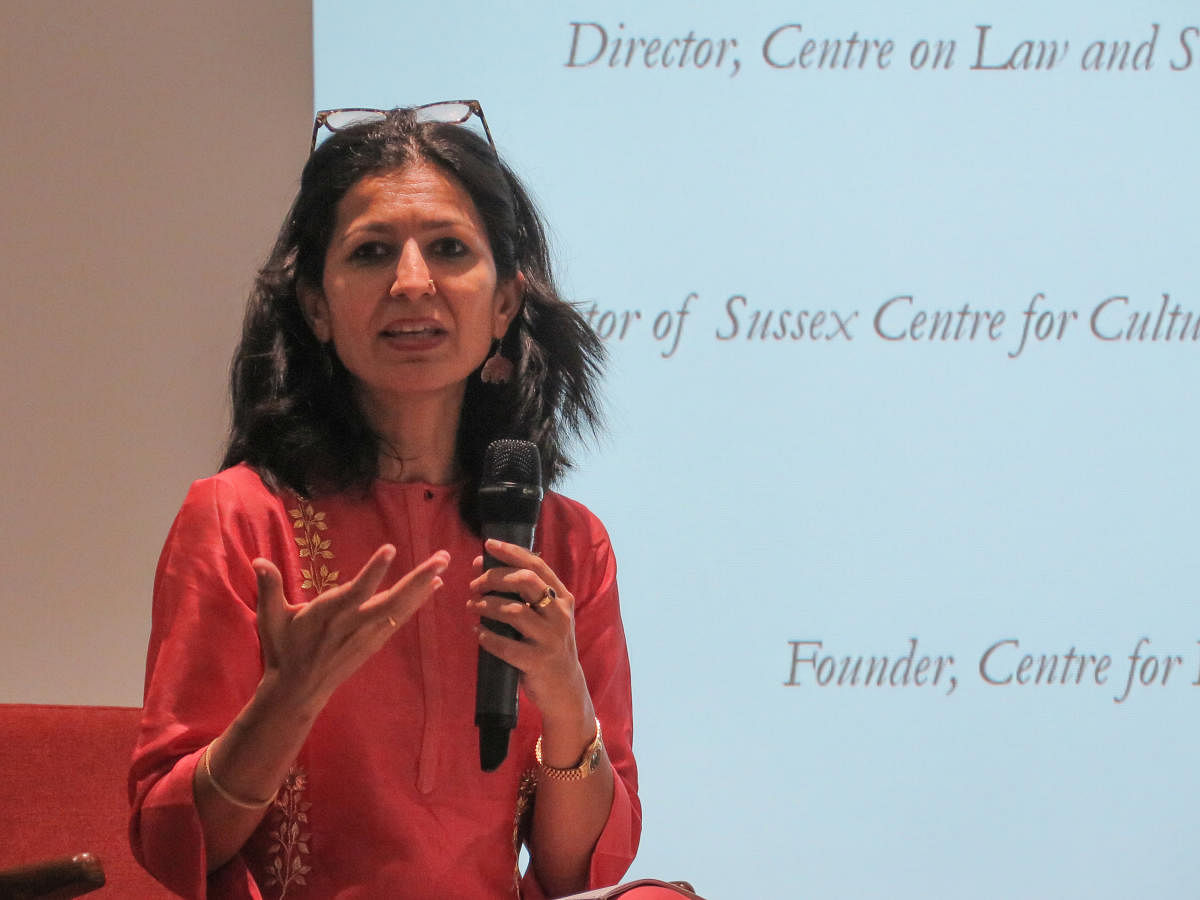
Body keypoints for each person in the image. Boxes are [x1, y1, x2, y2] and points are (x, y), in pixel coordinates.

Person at [128, 102, 640, 899]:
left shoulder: (568, 544)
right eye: (371, 253)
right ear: (317, 307)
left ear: (505, 303)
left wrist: (567, 703)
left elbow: (577, 872)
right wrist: (285, 701)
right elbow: (174, 844)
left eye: (448, 250)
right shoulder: (237, 520)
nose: (411, 283)